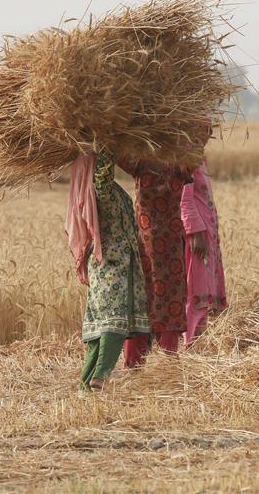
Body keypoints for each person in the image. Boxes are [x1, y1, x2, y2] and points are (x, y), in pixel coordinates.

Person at [66, 149, 149, 390]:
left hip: (107, 267)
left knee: (99, 328)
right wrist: (106, 144)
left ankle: (85, 383)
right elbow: (102, 175)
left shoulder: (95, 195)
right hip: (114, 267)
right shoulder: (100, 193)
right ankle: (99, 376)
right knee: (114, 325)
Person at [117, 159, 190, 363]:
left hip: (146, 243)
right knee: (170, 301)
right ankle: (169, 362)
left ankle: (133, 363)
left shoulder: (140, 160)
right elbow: (201, 135)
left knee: (141, 302)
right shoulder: (181, 162)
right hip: (172, 244)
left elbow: (114, 147)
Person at [180, 159, 227, 345]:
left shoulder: (199, 159)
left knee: (206, 288)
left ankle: (200, 342)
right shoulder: (186, 160)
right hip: (199, 236)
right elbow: (184, 199)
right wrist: (195, 232)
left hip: (209, 235)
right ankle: (190, 343)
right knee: (196, 290)